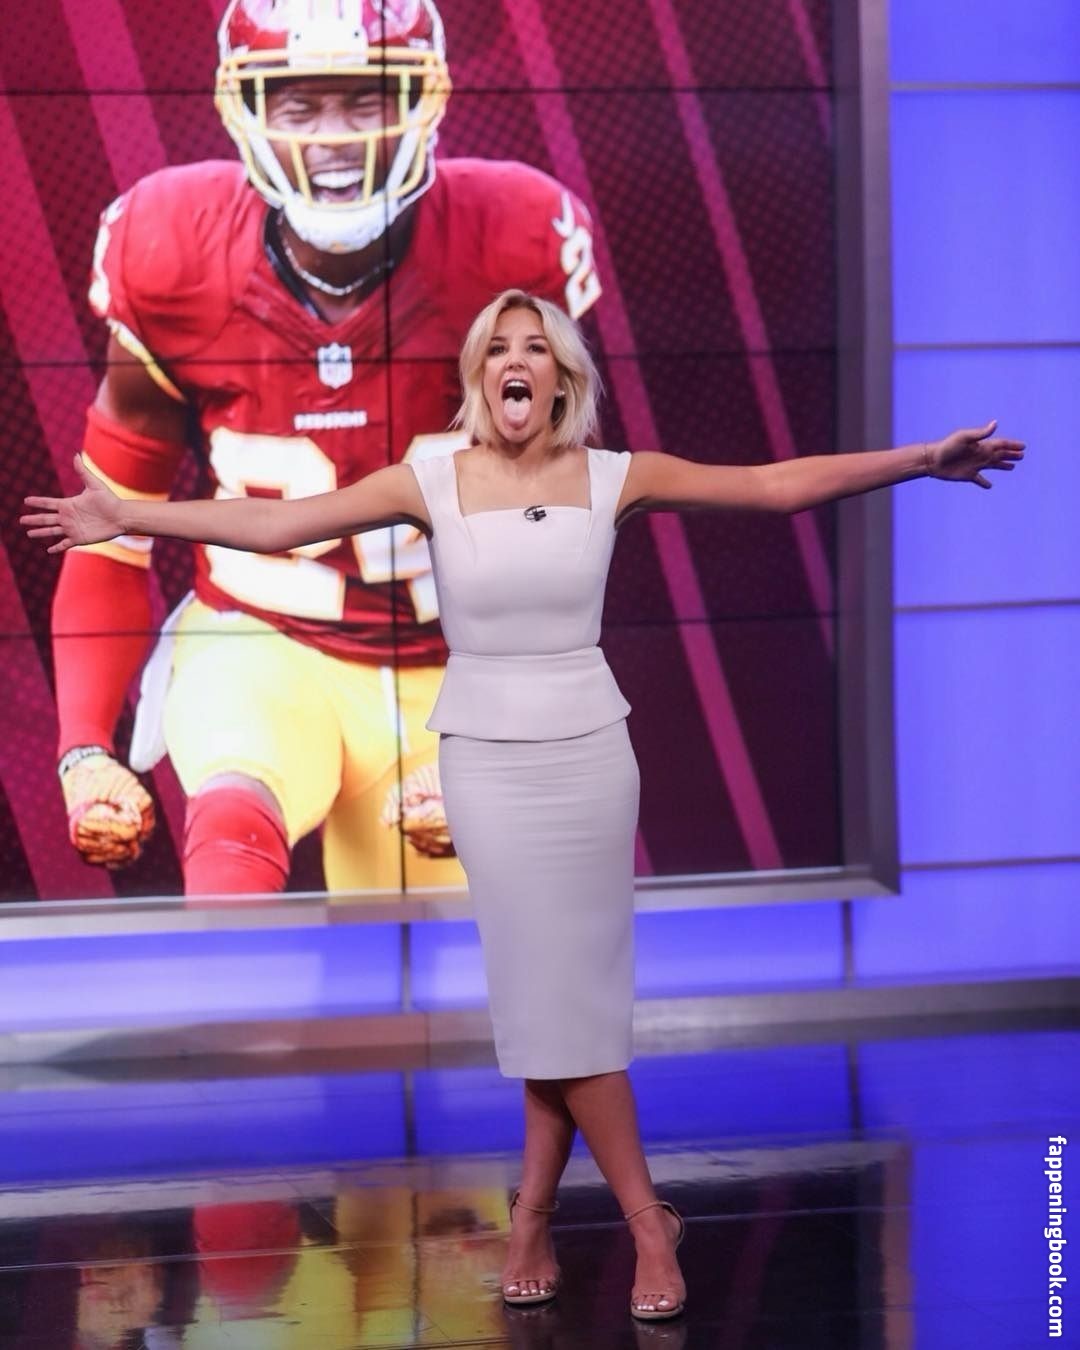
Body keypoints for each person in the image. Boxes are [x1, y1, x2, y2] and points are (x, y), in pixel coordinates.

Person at [23, 289, 1025, 1319]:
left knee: (570, 1003)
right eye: (497, 346)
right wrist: (131, 515)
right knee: (547, 1001)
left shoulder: (614, 476)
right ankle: (644, 1220)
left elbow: (771, 488)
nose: (516, 360)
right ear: (479, 376)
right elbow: (276, 523)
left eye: (535, 348)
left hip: (590, 755)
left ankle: (542, 1215)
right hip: (487, 762)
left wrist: (922, 459)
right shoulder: (431, 481)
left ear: (561, 378)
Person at [52, 0, 600, 894]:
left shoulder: (512, 237)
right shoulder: (169, 245)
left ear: (424, 100)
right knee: (230, 830)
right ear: (244, 109)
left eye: (365, 99)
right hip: (261, 643)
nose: (332, 137)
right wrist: (83, 750)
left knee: (451, 961)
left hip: (455, 663)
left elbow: (561, 528)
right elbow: (109, 533)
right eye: (299, 105)